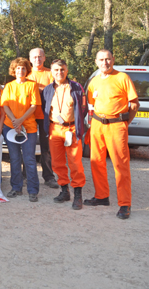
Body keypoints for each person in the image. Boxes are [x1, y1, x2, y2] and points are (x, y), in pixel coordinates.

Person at [85, 49, 139, 219]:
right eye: (101, 59)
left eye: (108, 59)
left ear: (113, 60)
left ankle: (125, 204)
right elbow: (92, 105)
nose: (105, 62)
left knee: (120, 166)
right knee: (96, 162)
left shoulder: (122, 78)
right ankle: (101, 196)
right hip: (97, 125)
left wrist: (124, 123)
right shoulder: (94, 81)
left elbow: (134, 104)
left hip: (117, 126)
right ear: (96, 61)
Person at [43, 59, 87, 210]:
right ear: (51, 71)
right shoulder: (48, 89)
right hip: (54, 129)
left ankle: (78, 195)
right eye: (56, 70)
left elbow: (83, 108)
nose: (59, 72)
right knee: (57, 162)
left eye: (62, 69)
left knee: (75, 163)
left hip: (71, 129)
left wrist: (77, 125)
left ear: (67, 70)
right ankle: (64, 191)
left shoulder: (76, 87)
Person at [1, 58, 41, 202]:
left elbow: (34, 105)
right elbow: (5, 105)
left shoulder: (32, 85)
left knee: (29, 159)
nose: (20, 71)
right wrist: (14, 121)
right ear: (14, 70)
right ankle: (16, 188)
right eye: (18, 68)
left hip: (28, 127)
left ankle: (32, 190)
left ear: (27, 70)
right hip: (10, 127)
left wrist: (20, 120)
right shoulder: (9, 86)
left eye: (23, 68)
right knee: (15, 158)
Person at [27, 48, 58, 188]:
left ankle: (49, 177)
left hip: (46, 116)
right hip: (29, 115)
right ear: (30, 59)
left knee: (46, 148)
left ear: (44, 58)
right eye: (34, 57)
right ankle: (26, 175)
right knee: (28, 147)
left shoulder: (51, 74)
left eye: (40, 57)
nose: (37, 59)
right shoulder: (26, 74)